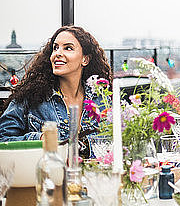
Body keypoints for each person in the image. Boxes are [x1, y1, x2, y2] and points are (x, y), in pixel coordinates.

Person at [0, 26, 112, 158]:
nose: (58, 53)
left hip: (94, 176)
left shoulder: (101, 100)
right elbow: (3, 139)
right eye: (55, 48)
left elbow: (114, 145)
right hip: (46, 176)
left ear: (85, 59)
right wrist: (40, 139)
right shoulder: (30, 96)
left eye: (68, 48)